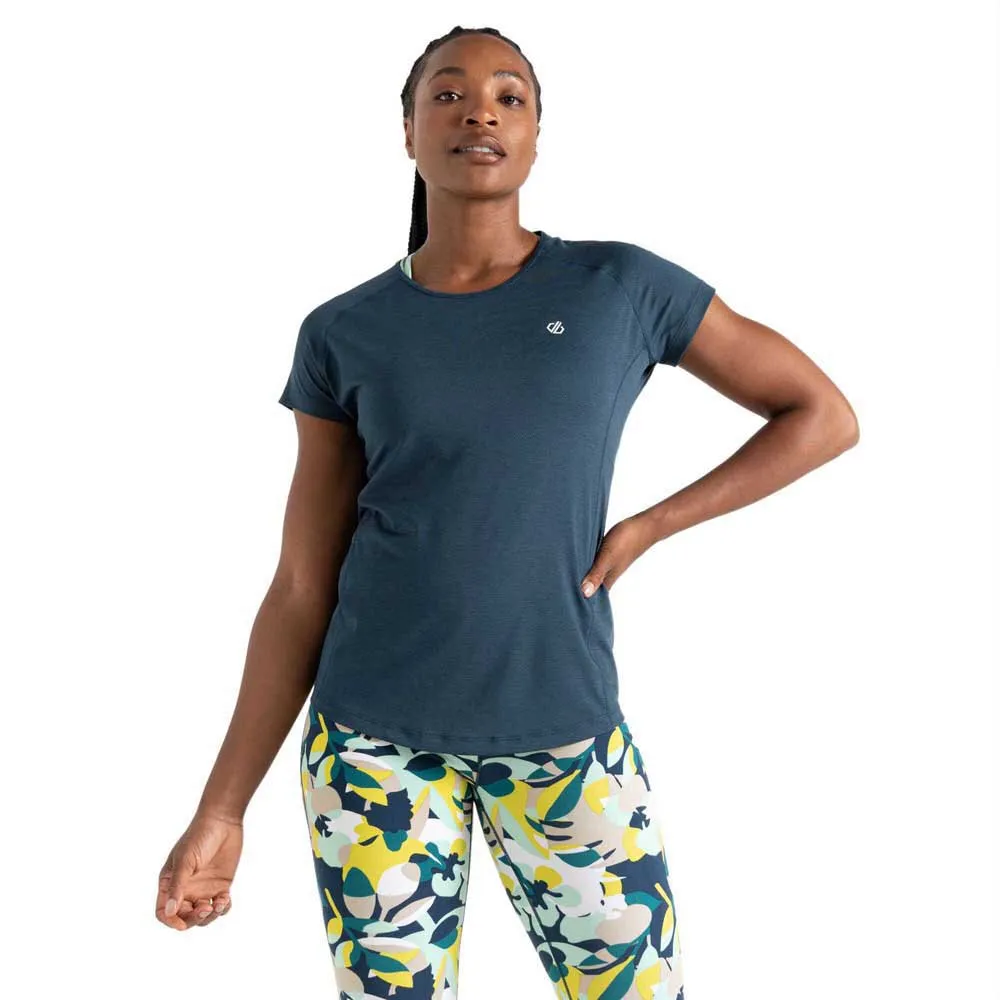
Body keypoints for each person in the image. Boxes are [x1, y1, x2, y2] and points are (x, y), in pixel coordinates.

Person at [155, 24, 860, 1000]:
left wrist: (649, 526)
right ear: (407, 131)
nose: (478, 112)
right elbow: (301, 584)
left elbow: (821, 416)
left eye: (508, 96)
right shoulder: (344, 331)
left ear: (534, 133)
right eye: (447, 94)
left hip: (564, 730)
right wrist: (222, 809)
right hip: (373, 748)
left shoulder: (620, 287)